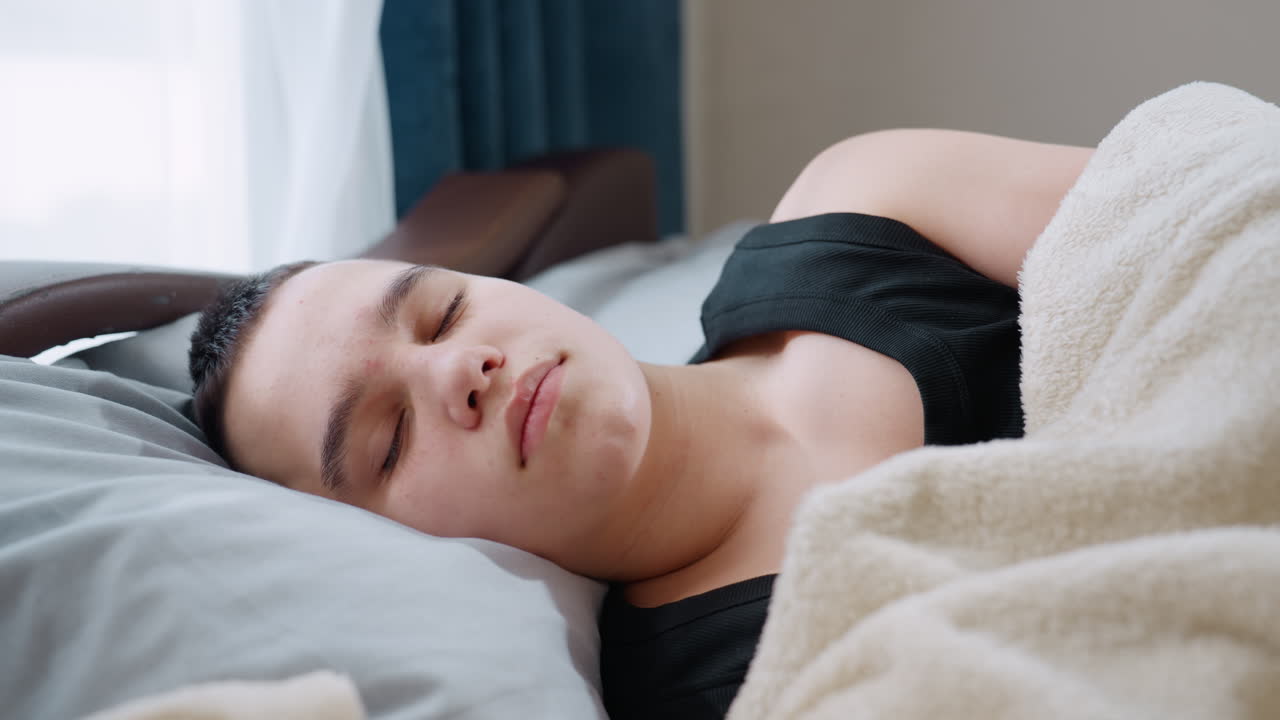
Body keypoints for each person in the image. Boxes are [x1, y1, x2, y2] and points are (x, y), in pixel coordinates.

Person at [187, 128, 1093, 720]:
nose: (458, 371)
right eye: (389, 440)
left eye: (442, 313)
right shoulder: (720, 694)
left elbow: (1208, 225)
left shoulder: (868, 201)